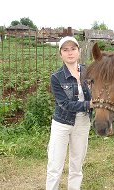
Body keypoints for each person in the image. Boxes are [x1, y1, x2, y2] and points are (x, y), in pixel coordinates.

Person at [46, 36, 92, 190]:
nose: (70, 52)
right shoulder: (57, 77)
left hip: (83, 123)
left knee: (77, 165)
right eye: (65, 50)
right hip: (62, 123)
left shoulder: (89, 71)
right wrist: (89, 104)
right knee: (55, 165)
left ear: (79, 51)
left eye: (73, 49)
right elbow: (64, 104)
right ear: (61, 54)